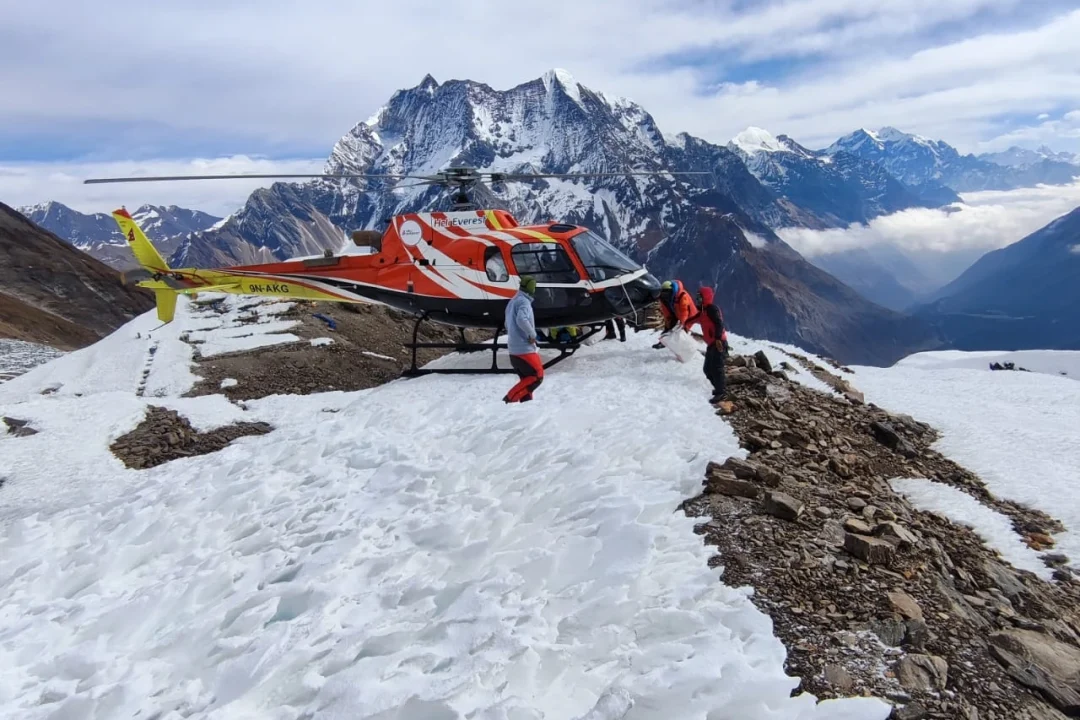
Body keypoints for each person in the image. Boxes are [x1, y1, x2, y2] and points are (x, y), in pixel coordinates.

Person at [503, 276, 544, 403]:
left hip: (513, 349)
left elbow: (506, 324)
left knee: (526, 379)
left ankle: (526, 405)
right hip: (524, 349)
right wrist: (532, 335)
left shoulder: (513, 301)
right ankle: (509, 399)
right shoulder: (523, 302)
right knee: (537, 376)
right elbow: (521, 319)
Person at [691, 286, 729, 403]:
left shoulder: (712, 309)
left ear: (705, 298)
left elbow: (719, 323)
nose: (697, 300)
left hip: (719, 343)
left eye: (700, 298)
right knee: (707, 369)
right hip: (711, 344)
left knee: (717, 368)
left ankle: (721, 392)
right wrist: (683, 324)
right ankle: (719, 388)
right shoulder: (703, 311)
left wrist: (717, 338)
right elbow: (693, 319)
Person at [652, 280, 698, 349]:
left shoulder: (682, 296)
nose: (665, 295)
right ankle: (663, 342)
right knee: (669, 326)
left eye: (667, 293)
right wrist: (668, 321)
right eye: (664, 293)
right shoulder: (664, 298)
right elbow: (666, 312)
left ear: (671, 291)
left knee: (683, 331)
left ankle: (684, 347)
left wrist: (682, 324)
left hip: (690, 315)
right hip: (676, 313)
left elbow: (684, 312)